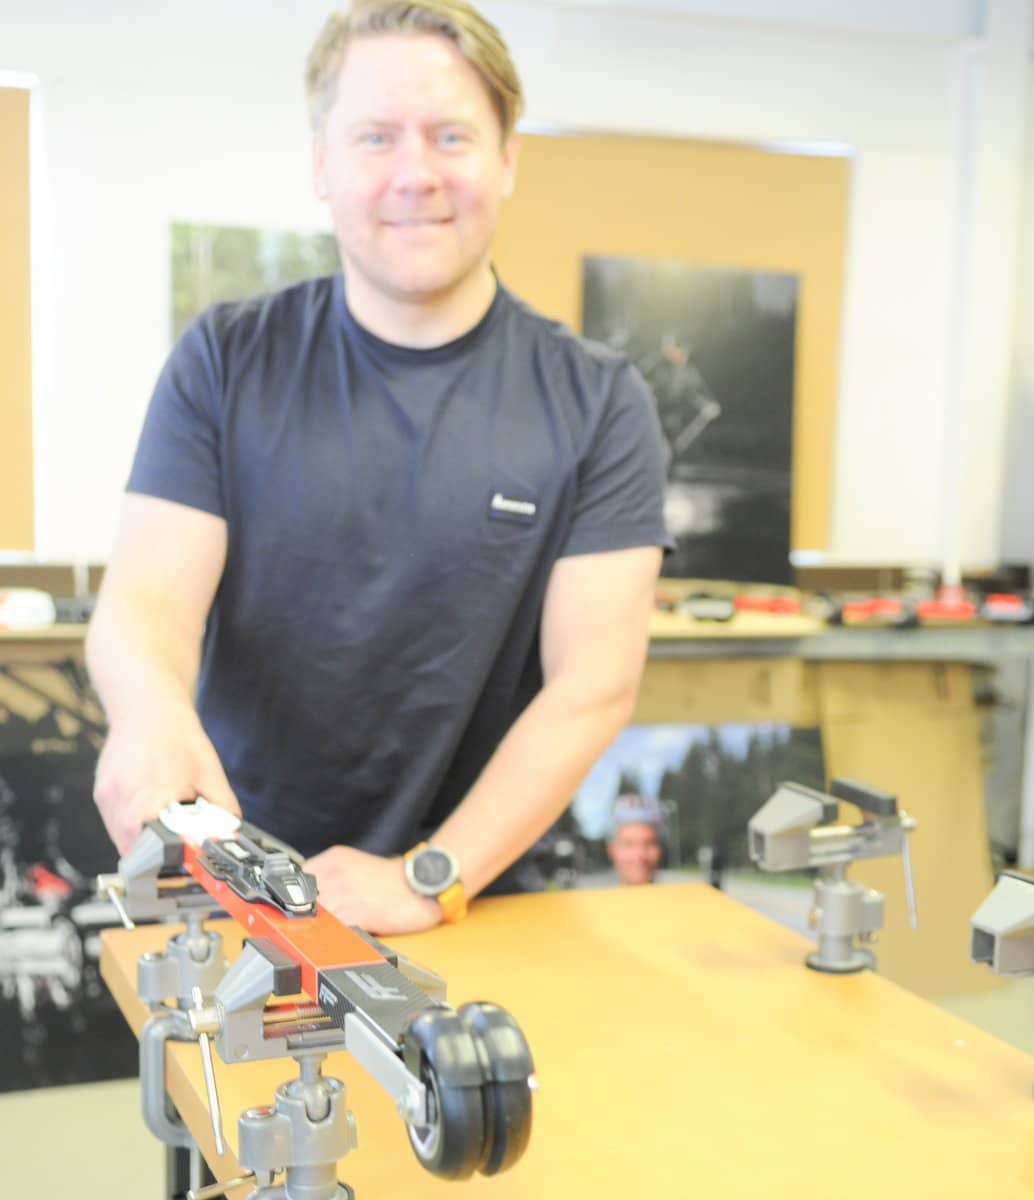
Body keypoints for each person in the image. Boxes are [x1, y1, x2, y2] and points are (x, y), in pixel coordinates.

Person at [86, 0, 670, 935]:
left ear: (508, 156)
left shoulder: (598, 401)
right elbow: (145, 603)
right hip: (231, 891)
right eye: (375, 138)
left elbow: (591, 683)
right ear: (321, 163)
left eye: (451, 135)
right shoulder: (227, 360)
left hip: (471, 902)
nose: (415, 175)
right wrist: (149, 710)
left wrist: (429, 876)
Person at [606, 795, 663, 886]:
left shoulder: (682, 899)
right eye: (629, 844)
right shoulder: (596, 899)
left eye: (648, 843)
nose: (639, 855)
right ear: (611, 851)